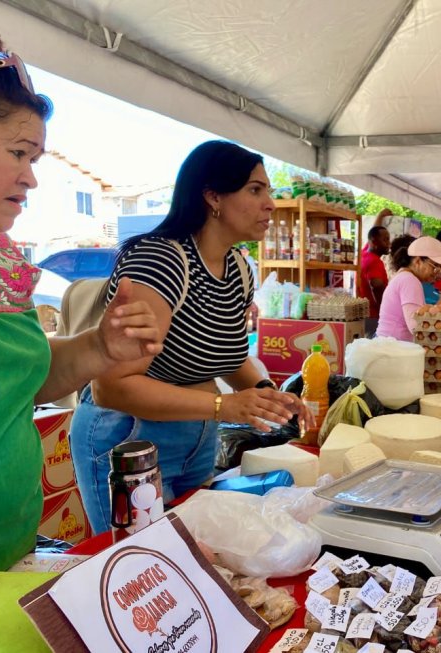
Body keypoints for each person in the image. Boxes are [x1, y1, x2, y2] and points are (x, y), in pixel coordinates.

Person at [0, 23, 163, 600]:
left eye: (35, 157)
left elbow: (24, 377)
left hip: (2, 561)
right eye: (17, 152)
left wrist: (101, 346)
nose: (30, 177)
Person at [69, 140, 312, 535]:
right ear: (213, 197)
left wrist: (268, 394)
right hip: (130, 436)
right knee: (140, 558)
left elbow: (228, 355)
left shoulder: (238, 267)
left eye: (268, 191)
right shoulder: (160, 260)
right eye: (255, 190)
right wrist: (223, 405)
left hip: (197, 432)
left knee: (195, 550)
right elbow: (111, 387)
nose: (270, 204)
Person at [376, 236, 441, 341]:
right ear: (418, 261)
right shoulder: (409, 280)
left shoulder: (404, 276)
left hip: (390, 344)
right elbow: (417, 327)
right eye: (435, 266)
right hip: (394, 347)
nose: (437, 272)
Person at [359, 224, 390, 335]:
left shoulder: (363, 255)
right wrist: (384, 310)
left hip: (364, 314)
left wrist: (381, 216)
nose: (388, 243)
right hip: (373, 316)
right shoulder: (375, 261)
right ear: (374, 242)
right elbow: (376, 285)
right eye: (385, 240)